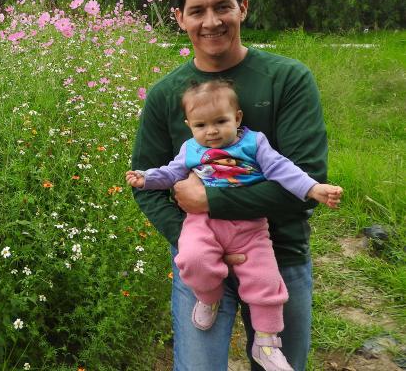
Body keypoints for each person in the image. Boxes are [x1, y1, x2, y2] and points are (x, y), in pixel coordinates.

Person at [131, 0, 330, 371]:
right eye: (197, 11)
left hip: (281, 254)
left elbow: (305, 182)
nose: (211, 21)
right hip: (201, 262)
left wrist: (209, 202)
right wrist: (192, 237)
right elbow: (144, 182)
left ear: (243, 7)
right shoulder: (165, 94)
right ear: (179, 18)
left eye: (222, 6)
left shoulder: (288, 79)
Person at [127, 79, 342, 371]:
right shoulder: (190, 149)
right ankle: (208, 297)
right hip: (202, 223)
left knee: (266, 281)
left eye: (220, 121)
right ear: (189, 125)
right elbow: (169, 173)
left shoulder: (254, 143)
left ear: (237, 118)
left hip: (250, 225)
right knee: (191, 258)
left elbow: (283, 169)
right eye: (201, 125)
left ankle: (266, 343)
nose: (212, 131)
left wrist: (313, 189)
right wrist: (146, 178)